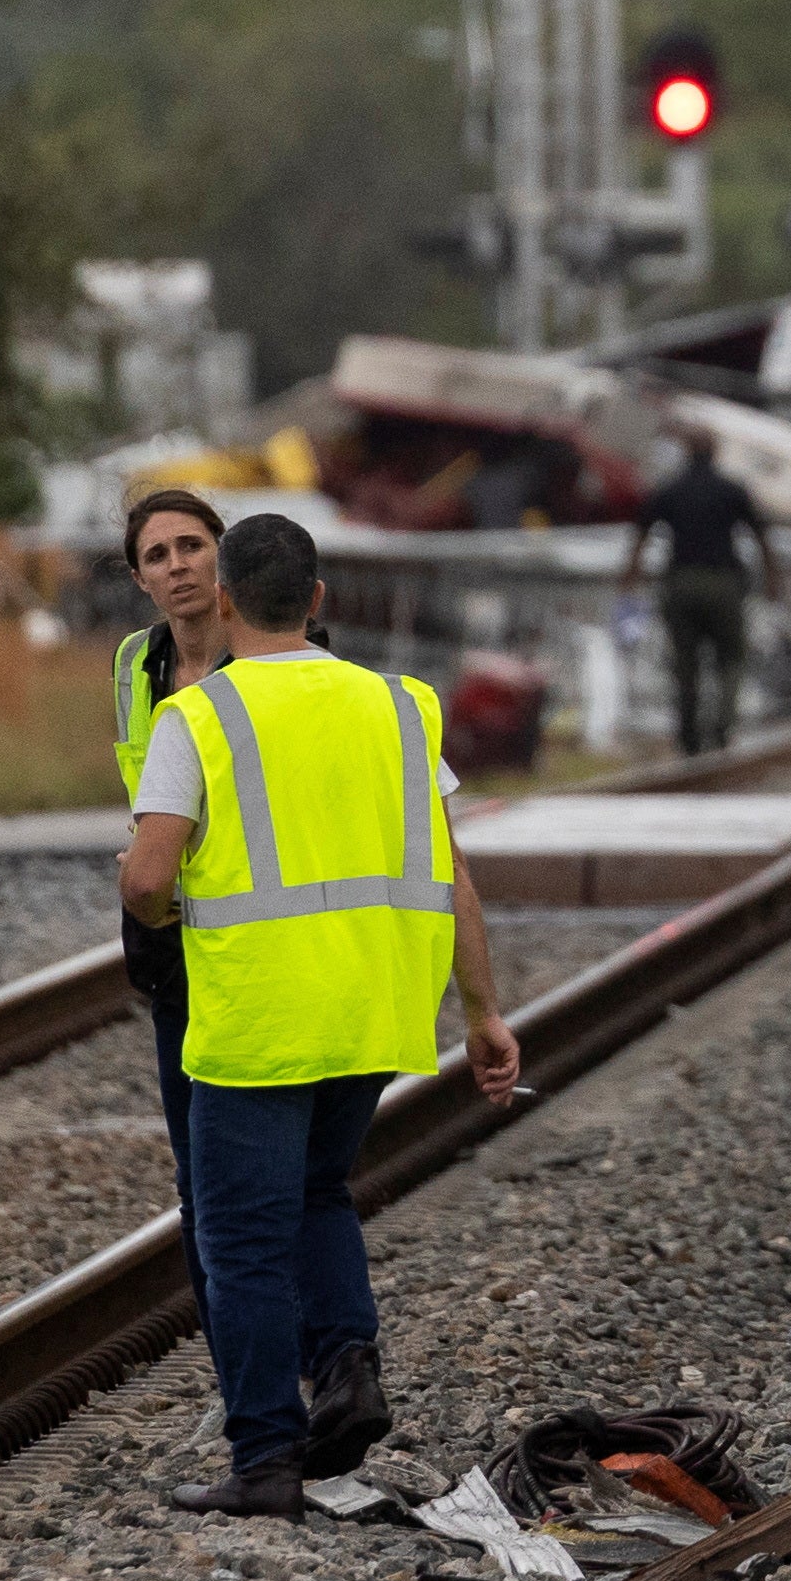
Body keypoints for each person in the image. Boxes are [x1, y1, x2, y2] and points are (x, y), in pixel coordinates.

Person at [121, 513, 521, 1517]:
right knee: (318, 1195)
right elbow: (451, 866)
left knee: (240, 1238)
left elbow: (148, 877)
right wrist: (483, 1013)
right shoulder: (399, 705)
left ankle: (264, 1458)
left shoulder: (200, 718)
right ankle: (347, 1367)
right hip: (373, 1011)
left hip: (259, 1016)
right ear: (319, 600)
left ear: (222, 600)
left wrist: (162, 906)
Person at [109, 488, 236, 1250]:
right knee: (197, 1179)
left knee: (270, 1176)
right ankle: (238, 1350)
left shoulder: (270, 652)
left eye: (191, 545)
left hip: (258, 938)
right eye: (158, 555)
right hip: (172, 941)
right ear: (140, 580)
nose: (178, 566)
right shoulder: (133, 664)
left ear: (222, 551)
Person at [615, 437, 772, 759]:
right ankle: (722, 727)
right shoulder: (731, 489)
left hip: (682, 583)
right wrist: (773, 577)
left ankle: (688, 736)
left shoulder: (671, 489)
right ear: (715, 452)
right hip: (723, 583)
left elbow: (641, 534)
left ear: (687, 451)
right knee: (730, 657)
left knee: (685, 663)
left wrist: (630, 577)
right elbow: (761, 534)